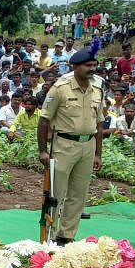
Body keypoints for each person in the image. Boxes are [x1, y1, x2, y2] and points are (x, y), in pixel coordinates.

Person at [37, 47, 104, 245]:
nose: (92, 69)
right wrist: (42, 150)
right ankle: (49, 234)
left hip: (88, 145)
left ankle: (66, 235)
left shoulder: (97, 88)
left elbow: (99, 123)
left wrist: (98, 153)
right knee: (55, 192)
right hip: (64, 144)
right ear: (74, 66)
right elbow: (44, 120)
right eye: (87, 65)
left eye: (94, 65)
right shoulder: (60, 88)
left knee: (78, 194)